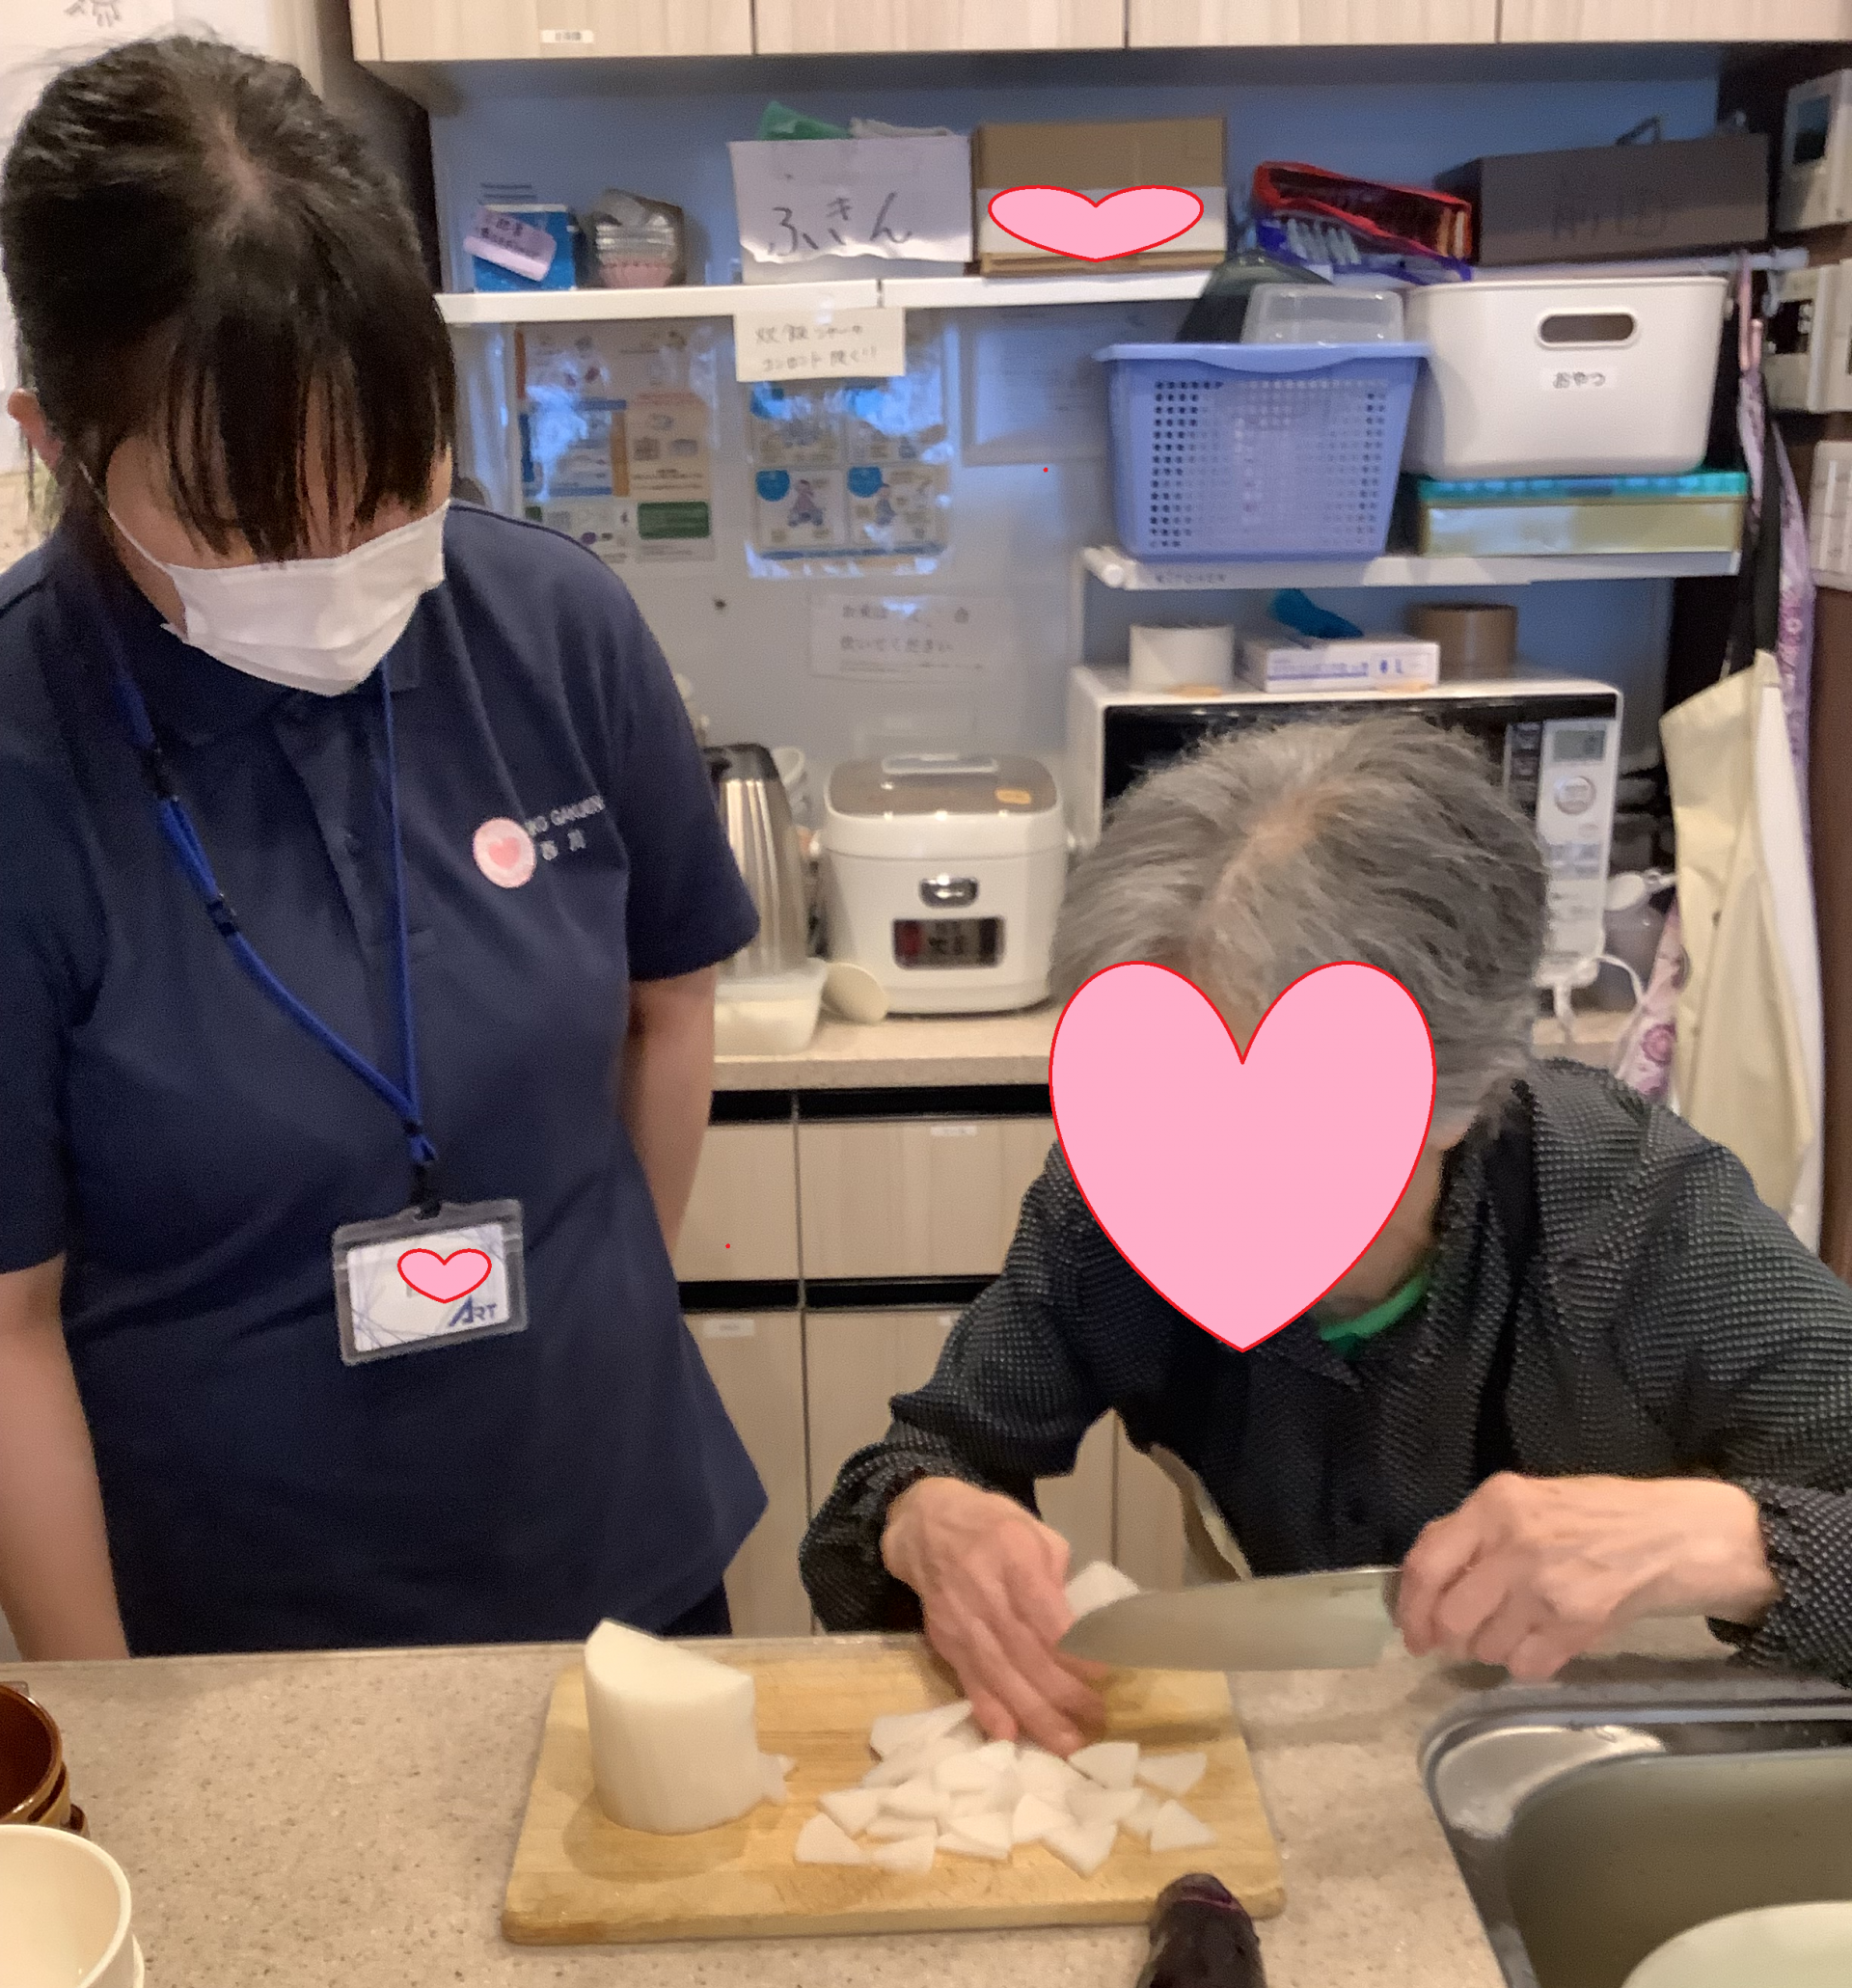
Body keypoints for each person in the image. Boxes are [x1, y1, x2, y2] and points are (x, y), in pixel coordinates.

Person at [0, 38, 764, 1661]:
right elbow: (5, 1328)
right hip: (237, 1635)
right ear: (52, 441)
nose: (339, 559)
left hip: (611, 1544)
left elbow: (670, 1002)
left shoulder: (552, 626)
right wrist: (101, 1730)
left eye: (391, 482)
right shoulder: (22, 752)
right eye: (245, 518)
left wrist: (599, 1317)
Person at [801, 718, 1852, 1751]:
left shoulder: (1643, 1220)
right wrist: (924, 1519)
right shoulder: (1105, 1217)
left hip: (1624, 1765)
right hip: (1301, 1740)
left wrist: (1732, 1542)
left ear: (1465, 1088)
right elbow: (925, 1457)